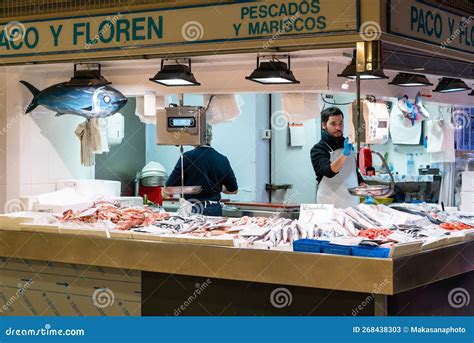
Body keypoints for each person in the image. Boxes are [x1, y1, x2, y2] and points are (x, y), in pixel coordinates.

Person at [166, 125, 238, 216]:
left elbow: (169, 188)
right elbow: (233, 190)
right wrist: (218, 187)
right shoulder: (222, 159)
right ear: (210, 137)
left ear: (195, 136)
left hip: (194, 210)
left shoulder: (187, 157)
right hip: (215, 211)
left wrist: (193, 189)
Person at [310, 107, 367, 208]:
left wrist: (363, 184)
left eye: (340, 123)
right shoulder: (318, 149)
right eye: (333, 124)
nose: (338, 127)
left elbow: (353, 171)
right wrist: (344, 154)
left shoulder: (348, 144)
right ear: (324, 125)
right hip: (329, 205)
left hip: (352, 203)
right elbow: (329, 172)